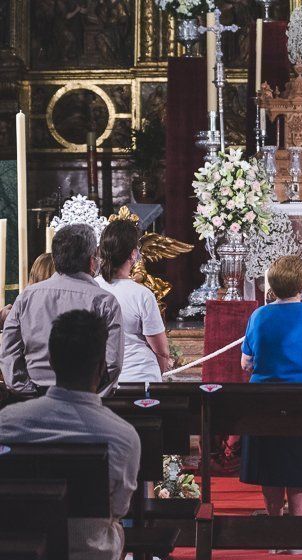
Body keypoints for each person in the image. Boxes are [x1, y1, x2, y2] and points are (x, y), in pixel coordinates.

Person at [0, 310, 141, 560]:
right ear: (101, 366)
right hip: (88, 551)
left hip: (24, 547)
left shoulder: (8, 422)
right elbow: (119, 508)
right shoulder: (122, 436)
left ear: (52, 361)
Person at [239, 255, 302, 555]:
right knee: (299, 464)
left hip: (263, 402)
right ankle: (298, 538)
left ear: (272, 285)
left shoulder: (258, 316)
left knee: (270, 465)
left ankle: (276, 534)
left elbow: (246, 364)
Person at [0, 224, 124, 394]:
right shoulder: (104, 301)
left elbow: (9, 352)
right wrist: (93, 397)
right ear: (91, 260)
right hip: (85, 398)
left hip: (35, 394)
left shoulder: (26, 297)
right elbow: (112, 363)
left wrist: (26, 392)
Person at [96, 219, 169, 382]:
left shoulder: (90, 288)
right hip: (139, 377)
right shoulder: (142, 294)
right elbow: (161, 349)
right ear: (133, 254)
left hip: (100, 380)